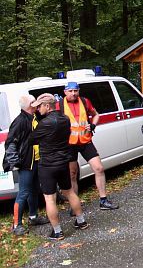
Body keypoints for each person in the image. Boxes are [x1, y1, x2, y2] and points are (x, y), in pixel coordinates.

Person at [29, 93, 87, 241]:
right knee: (69, 192)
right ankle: (81, 221)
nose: (37, 110)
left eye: (39, 107)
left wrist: (37, 122)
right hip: (63, 163)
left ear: (47, 106)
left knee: (49, 198)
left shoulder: (45, 123)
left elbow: (32, 139)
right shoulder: (65, 119)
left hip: (47, 165)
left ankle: (57, 232)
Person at [56, 81, 118, 210]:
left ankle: (103, 200)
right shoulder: (59, 105)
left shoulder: (84, 101)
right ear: (65, 92)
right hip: (69, 144)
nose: (73, 94)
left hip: (85, 141)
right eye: (70, 91)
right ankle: (75, 206)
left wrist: (93, 125)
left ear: (78, 91)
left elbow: (96, 115)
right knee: (72, 174)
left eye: (75, 91)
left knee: (99, 168)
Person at [2, 95, 49, 236]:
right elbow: (10, 142)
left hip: (35, 161)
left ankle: (33, 217)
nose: (37, 103)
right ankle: (16, 225)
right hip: (25, 163)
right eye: (34, 101)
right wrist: (15, 161)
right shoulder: (20, 121)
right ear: (30, 105)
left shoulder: (33, 117)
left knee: (34, 190)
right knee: (23, 193)